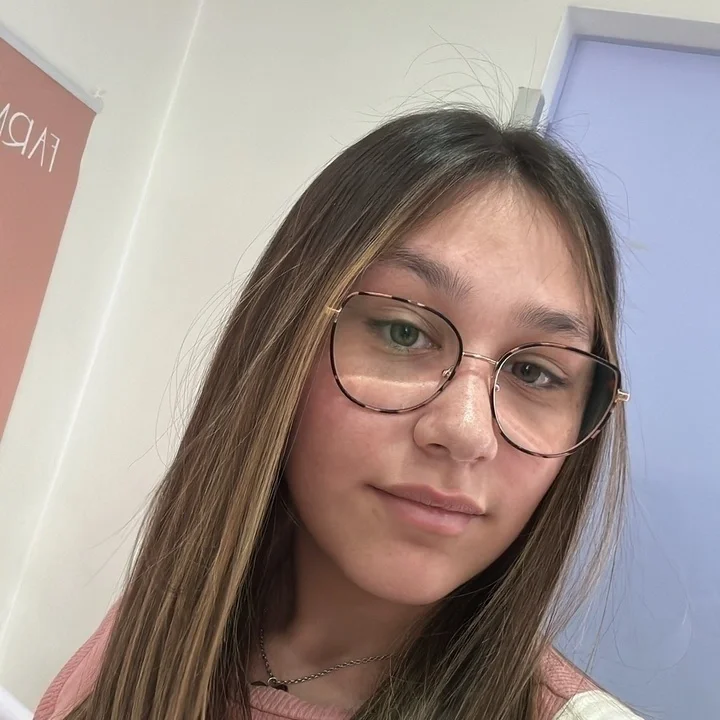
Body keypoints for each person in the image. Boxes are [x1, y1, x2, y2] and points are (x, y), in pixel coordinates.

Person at [35, 107, 641, 720]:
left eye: (535, 373)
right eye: (404, 332)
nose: (464, 431)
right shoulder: (153, 635)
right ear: (284, 340)